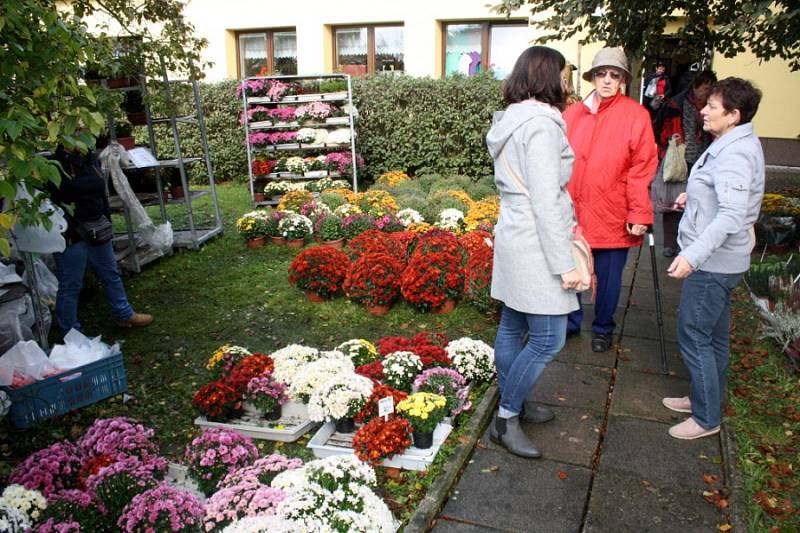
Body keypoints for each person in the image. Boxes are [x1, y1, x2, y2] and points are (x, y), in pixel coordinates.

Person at [485, 46, 583, 458]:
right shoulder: (541, 126)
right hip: (537, 242)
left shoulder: (512, 119)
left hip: (515, 233)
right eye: (563, 74)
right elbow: (545, 199)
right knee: (548, 339)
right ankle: (506, 417)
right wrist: (566, 265)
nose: (568, 82)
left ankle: (516, 403)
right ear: (548, 77)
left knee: (512, 325)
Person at [663, 78, 765, 440]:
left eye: (712, 106)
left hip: (712, 264)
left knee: (693, 334)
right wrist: (693, 198)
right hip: (724, 261)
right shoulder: (730, 142)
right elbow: (722, 198)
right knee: (715, 336)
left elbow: (732, 215)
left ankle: (706, 419)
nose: (703, 110)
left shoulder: (735, 152)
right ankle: (703, 398)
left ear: (733, 115)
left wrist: (692, 256)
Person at [563, 48, 658, 352]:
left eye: (614, 75)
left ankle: (603, 327)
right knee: (573, 268)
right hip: (573, 208)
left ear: (623, 80)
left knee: (609, 277)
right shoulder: (573, 112)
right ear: (592, 77)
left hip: (613, 209)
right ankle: (570, 322)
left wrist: (640, 213)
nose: (606, 80)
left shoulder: (636, 114)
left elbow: (642, 167)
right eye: (601, 74)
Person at [49, 145, 153, 334]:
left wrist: (106, 220)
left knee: (110, 274)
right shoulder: (54, 165)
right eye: (77, 130)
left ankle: (124, 314)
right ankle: (71, 332)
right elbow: (52, 203)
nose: (83, 136)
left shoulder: (92, 160)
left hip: (98, 228)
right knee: (71, 284)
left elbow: (101, 194)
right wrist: (68, 231)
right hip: (71, 234)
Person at [652, 70, 717, 257]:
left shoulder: (712, 107)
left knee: (697, 201)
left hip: (703, 160)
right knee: (673, 202)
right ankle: (670, 243)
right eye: (705, 88)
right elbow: (660, 129)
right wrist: (668, 145)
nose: (708, 92)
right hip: (678, 158)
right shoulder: (676, 104)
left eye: (711, 88)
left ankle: (689, 242)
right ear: (696, 87)